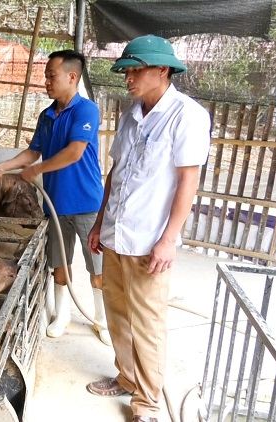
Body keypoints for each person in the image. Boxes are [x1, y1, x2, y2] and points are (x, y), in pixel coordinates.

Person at [86, 35, 211, 422]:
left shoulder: (187, 116)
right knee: (118, 316)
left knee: (148, 325)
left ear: (162, 70)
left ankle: (147, 404)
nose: (128, 78)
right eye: (127, 70)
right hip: (116, 236)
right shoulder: (131, 115)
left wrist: (169, 240)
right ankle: (126, 377)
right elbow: (115, 174)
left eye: (136, 70)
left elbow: (188, 181)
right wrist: (99, 222)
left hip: (149, 243)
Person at [0, 50, 110, 345]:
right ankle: (62, 315)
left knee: (98, 267)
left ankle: (101, 320)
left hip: (88, 205)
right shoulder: (47, 115)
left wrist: (36, 170)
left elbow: (74, 151)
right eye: (46, 76)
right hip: (54, 204)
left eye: (51, 75)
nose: (46, 82)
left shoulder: (86, 111)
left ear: (72, 77)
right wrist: (2, 167)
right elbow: (33, 151)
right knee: (59, 263)